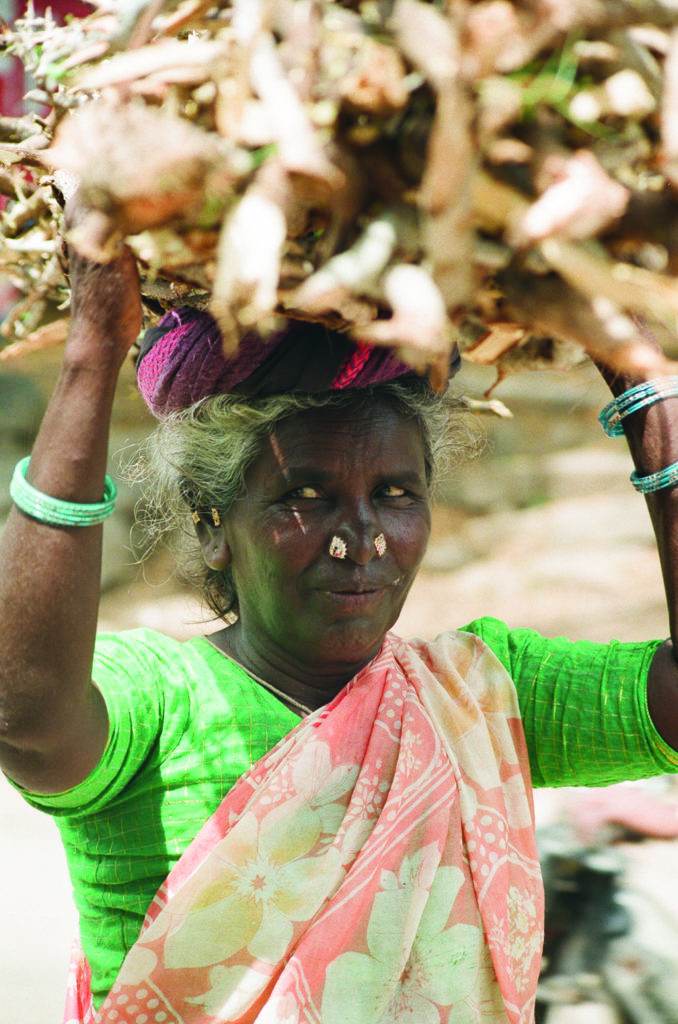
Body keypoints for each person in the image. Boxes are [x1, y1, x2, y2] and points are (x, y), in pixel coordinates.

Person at [1, 213, 678, 1024]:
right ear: (214, 525)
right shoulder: (163, 697)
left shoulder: (481, 696)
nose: (361, 540)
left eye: (395, 495)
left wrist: (645, 383)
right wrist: (89, 357)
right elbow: (27, 711)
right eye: (306, 496)